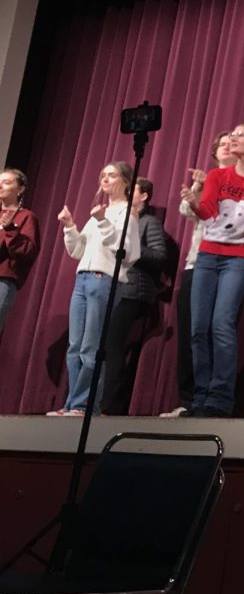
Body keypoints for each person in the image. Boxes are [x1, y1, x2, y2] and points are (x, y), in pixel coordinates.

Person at [181, 122, 244, 417]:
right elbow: (209, 212)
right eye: (232, 135)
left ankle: (220, 399)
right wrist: (194, 202)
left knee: (221, 325)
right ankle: (199, 397)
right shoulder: (217, 175)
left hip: (238, 258)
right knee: (198, 328)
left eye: (240, 135)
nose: (233, 139)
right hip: (207, 256)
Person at [48, 161, 141, 416]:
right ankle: (72, 404)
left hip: (105, 281)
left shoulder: (127, 214)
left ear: (125, 181)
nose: (105, 179)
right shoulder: (100, 212)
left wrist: (102, 222)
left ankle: (85, 405)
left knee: (91, 346)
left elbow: (128, 253)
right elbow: (78, 251)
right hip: (83, 279)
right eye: (103, 175)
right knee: (75, 346)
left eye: (112, 175)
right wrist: (69, 226)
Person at [160, 132, 235, 418]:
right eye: (221, 144)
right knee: (192, 332)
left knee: (217, 332)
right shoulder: (208, 179)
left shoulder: (239, 180)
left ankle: (214, 398)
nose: (226, 146)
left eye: (231, 142)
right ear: (215, 152)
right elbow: (187, 211)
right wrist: (200, 185)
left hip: (225, 265)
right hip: (196, 263)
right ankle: (191, 399)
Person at [102, 178, 169, 415]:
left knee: (115, 345)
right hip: (109, 289)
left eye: (132, 192)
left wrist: (131, 248)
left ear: (144, 197)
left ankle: (110, 407)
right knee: (101, 346)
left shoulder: (148, 222)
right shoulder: (116, 222)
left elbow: (160, 256)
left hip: (133, 292)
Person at [0, 167, 40, 334]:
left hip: (2, 279)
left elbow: (29, 251)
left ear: (20, 189)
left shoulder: (26, 217)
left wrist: (10, 229)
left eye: (6, 182)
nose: (0, 186)